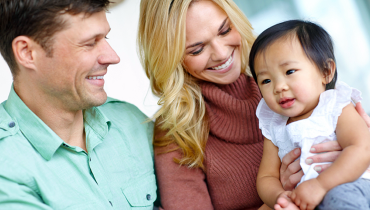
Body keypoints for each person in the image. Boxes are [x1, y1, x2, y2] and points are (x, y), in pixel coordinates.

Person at [138, 0, 370, 209]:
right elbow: (270, 184)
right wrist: (283, 197)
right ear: (171, 57)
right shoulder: (177, 132)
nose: (220, 54)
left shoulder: (295, 91)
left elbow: (361, 151)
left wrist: (349, 159)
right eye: (197, 49)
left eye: (225, 30)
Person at [0, 0, 157, 209]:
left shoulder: (134, 122)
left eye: (105, 38)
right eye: (90, 43)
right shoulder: (6, 167)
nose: (113, 57)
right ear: (27, 52)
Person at [250, 20, 370, 210]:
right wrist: (280, 197)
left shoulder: (334, 105)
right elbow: (267, 177)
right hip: (303, 198)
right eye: (266, 80)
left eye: (290, 71)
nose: (279, 87)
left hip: (349, 185)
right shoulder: (275, 125)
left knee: (340, 200)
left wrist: (320, 185)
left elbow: (362, 148)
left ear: (326, 72)